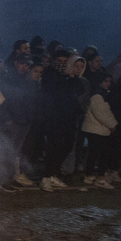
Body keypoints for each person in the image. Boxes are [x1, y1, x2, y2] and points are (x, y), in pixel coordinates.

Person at [38, 50, 84, 191]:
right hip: (54, 117)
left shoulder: (68, 77)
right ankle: (45, 177)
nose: (63, 64)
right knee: (54, 146)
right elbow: (56, 90)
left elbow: (79, 89)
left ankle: (53, 173)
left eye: (66, 62)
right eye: (61, 61)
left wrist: (72, 77)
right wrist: (67, 78)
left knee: (67, 145)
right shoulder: (50, 73)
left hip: (68, 118)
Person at [0, 53, 38, 186]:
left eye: (27, 64)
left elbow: (31, 101)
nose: (24, 66)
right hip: (13, 121)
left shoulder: (28, 80)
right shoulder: (7, 79)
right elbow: (2, 100)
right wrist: (7, 118)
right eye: (22, 63)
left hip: (24, 121)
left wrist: (30, 117)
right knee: (8, 149)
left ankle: (13, 176)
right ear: (15, 63)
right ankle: (4, 179)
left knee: (17, 151)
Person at [80, 72, 117, 188]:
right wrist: (112, 124)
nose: (108, 84)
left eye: (109, 81)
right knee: (101, 154)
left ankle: (90, 175)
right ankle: (99, 177)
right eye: (105, 81)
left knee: (94, 153)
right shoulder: (97, 96)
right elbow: (101, 113)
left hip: (96, 128)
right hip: (97, 129)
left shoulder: (100, 95)